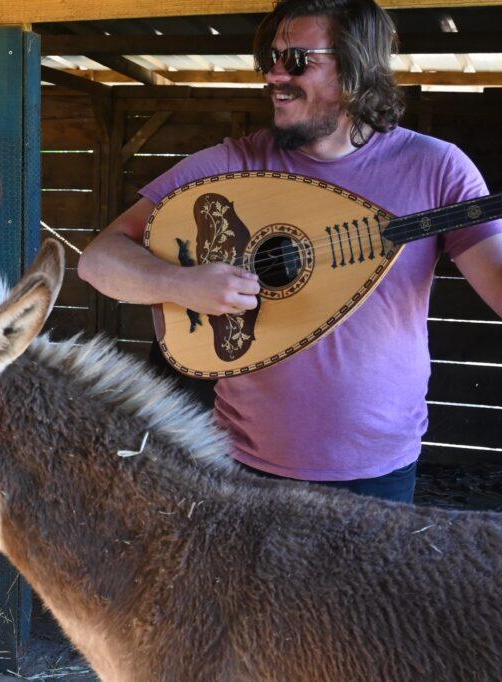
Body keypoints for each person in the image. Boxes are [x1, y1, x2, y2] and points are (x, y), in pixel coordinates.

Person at [78, 0, 502, 503]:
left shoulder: (437, 169)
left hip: (379, 473)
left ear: (355, 67)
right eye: (270, 60)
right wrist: (180, 283)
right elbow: (97, 260)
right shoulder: (231, 164)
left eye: (296, 60)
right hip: (244, 469)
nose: (275, 76)